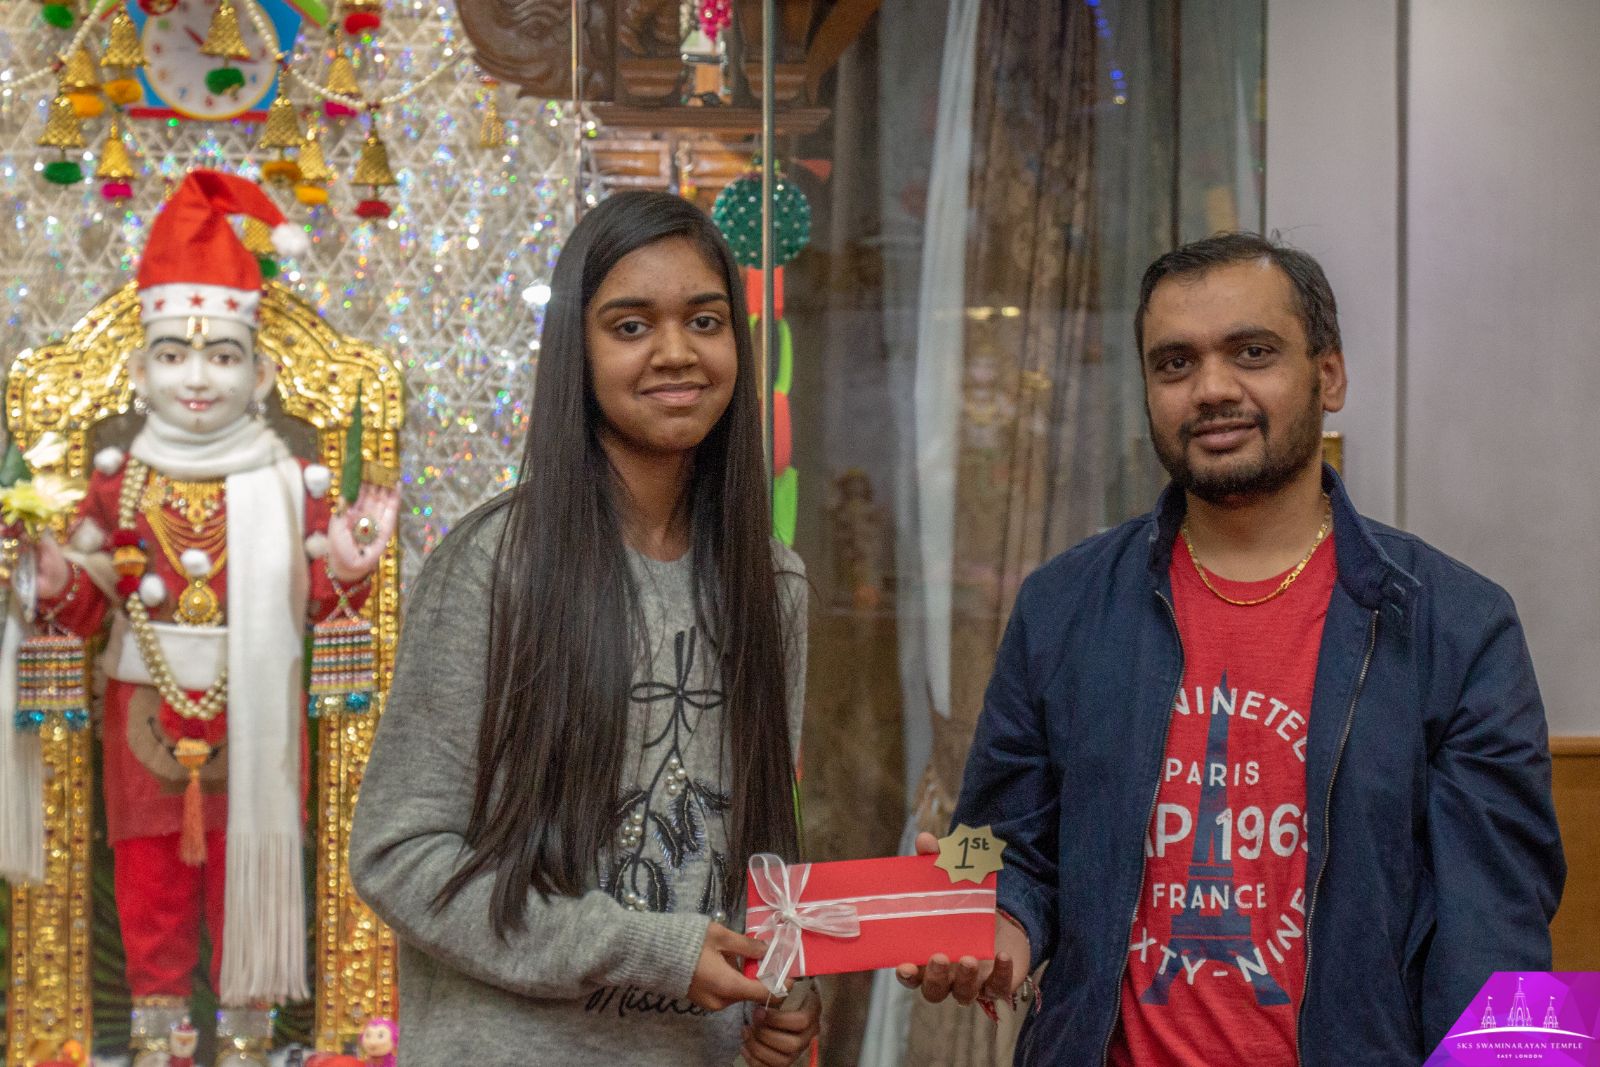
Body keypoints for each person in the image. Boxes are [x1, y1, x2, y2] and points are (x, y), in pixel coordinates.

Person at [898, 233, 1564, 1064]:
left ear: (1329, 375)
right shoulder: (1061, 604)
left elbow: (1502, 935)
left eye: (1252, 352)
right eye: (1174, 364)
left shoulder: (1460, 625)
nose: (1212, 388)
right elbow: (990, 836)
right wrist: (977, 903)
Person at [349, 191, 820, 1066]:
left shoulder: (773, 583)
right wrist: (650, 947)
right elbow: (398, 854)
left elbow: (754, 857)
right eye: (631, 325)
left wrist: (782, 986)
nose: (675, 351)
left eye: (705, 320)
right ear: (577, 350)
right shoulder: (499, 565)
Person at [5, 170, 399, 1065]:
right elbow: (79, 597)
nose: (196, 377)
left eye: (221, 355)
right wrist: (56, 567)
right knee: (150, 886)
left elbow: (333, 604)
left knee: (242, 880)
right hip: (142, 708)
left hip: (254, 715)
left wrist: (344, 569)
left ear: (258, 372)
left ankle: (251, 1040)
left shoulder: (286, 479)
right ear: (141, 368)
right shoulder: (117, 475)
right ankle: (160, 1045)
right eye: (175, 356)